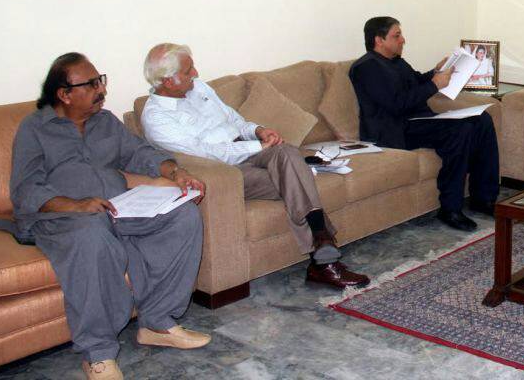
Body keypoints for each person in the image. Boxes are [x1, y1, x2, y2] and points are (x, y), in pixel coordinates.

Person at [10, 53, 210, 380]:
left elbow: (139, 153)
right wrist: (74, 205)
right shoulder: (35, 128)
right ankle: (97, 353)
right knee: (91, 235)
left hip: (117, 206)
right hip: (63, 217)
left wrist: (176, 172)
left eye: (100, 79)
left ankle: (158, 322)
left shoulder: (105, 122)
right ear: (64, 94)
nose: (101, 88)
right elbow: (25, 189)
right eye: (91, 84)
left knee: (183, 216)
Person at [140, 44, 369, 290]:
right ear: (168, 81)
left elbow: (235, 120)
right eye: (188, 70)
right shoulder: (157, 118)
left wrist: (258, 131)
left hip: (247, 148)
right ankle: (323, 256)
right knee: (295, 177)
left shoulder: (199, 89)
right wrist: (257, 147)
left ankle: (322, 244)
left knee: (287, 152)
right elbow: (208, 153)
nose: (195, 73)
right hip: (225, 171)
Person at [349, 17, 501, 232]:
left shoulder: (396, 61)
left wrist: (435, 72)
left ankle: (484, 197)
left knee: (482, 119)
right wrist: (433, 85)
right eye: (397, 35)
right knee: (460, 129)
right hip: (394, 130)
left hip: (418, 121)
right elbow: (395, 104)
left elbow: (416, 81)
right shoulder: (366, 68)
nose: (403, 40)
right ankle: (450, 208)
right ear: (379, 40)